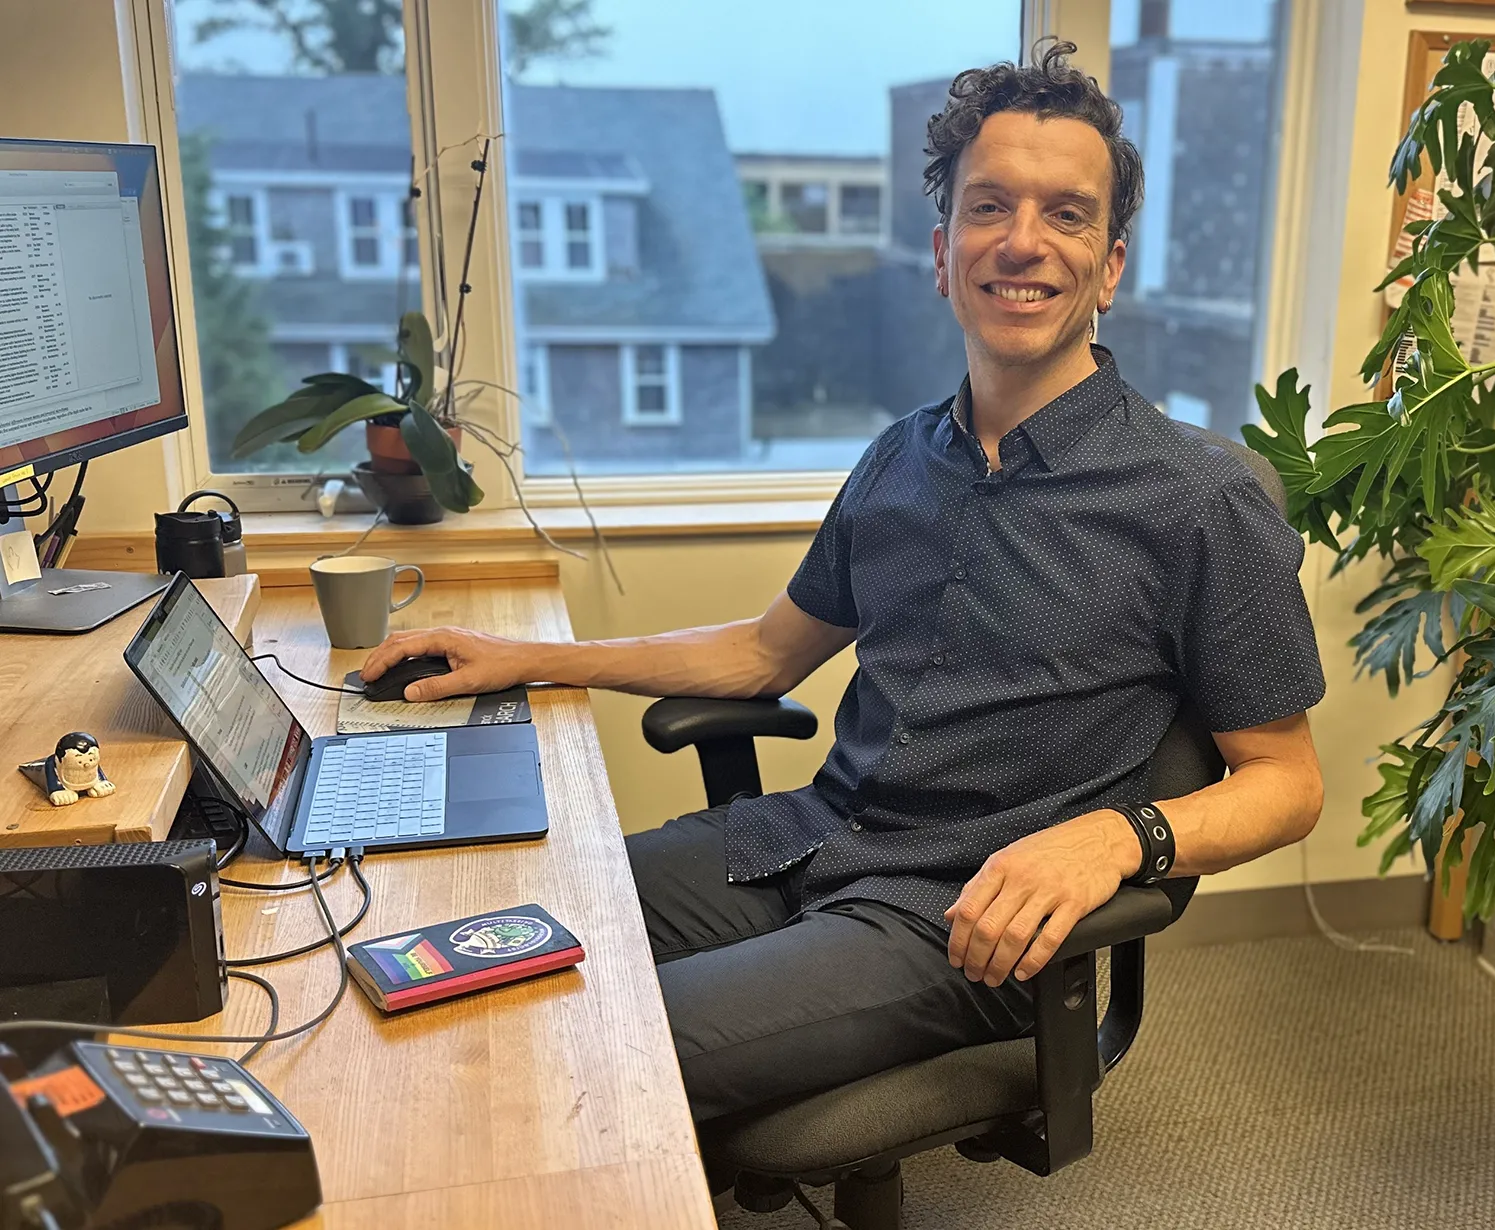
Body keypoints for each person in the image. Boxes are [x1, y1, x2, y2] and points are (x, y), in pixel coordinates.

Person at [361, 41, 1327, 1128]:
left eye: (1066, 215)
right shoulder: (902, 459)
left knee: (582, 1040)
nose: (1022, 242)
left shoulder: (1197, 501)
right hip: (809, 840)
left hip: (962, 922)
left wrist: (1119, 838)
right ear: (942, 249)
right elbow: (766, 654)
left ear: (1108, 265)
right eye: (989, 207)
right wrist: (532, 658)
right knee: (472, 942)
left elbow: (1287, 782)